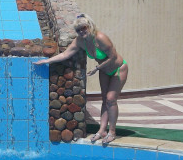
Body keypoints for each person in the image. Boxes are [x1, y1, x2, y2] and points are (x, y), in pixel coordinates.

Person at [34, 14, 128, 144]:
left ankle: (112, 132)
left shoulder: (100, 38)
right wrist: (47, 61)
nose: (81, 31)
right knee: (105, 100)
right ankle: (102, 130)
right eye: (78, 30)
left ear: (90, 26)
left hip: (118, 69)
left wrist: (97, 68)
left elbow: (113, 57)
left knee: (111, 99)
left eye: (83, 28)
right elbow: (65, 54)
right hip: (104, 70)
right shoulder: (80, 41)